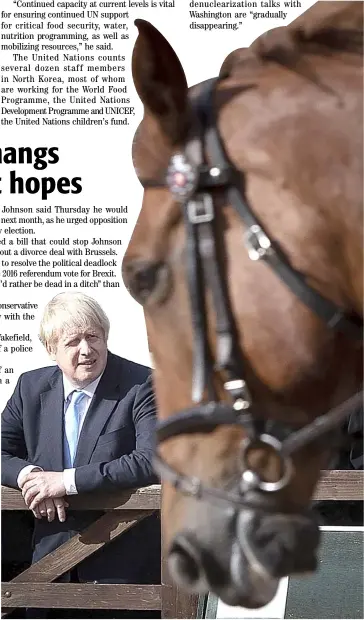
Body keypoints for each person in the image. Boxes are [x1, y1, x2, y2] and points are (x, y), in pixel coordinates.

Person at [1, 292, 161, 618]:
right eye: (73, 341)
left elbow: (151, 460)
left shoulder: (142, 384)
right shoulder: (30, 388)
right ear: (51, 349)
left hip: (122, 571)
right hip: (48, 566)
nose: (86, 350)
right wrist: (32, 478)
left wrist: (65, 482)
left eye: (93, 337)